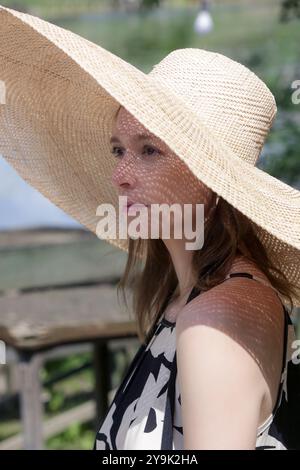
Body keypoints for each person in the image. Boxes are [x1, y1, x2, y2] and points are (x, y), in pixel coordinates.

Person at [0, 5, 299, 450]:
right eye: (119, 150)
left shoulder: (216, 318)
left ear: (212, 179)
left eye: (150, 151)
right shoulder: (193, 293)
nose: (120, 174)